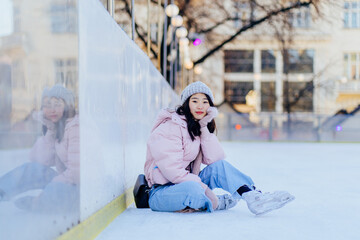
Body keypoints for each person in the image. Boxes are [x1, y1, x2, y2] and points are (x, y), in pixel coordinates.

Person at [144, 81, 295, 215]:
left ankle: (252, 196)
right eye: (195, 100)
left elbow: (214, 159)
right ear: (186, 104)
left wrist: (204, 128)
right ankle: (215, 202)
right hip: (162, 192)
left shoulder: (195, 128)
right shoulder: (170, 127)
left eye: (205, 101)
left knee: (219, 167)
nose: (200, 106)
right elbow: (173, 172)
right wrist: (206, 190)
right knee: (194, 190)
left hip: (186, 183)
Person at [0, 84, 79, 213]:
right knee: (31, 169)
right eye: (48, 105)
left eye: (57, 104)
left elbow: (76, 174)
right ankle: (1, 191)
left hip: (82, 191)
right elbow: (38, 160)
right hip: (68, 184)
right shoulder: (59, 127)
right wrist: (50, 129)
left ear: (67, 106)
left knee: (55, 189)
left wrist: (50, 188)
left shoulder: (75, 127)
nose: (52, 109)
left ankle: (39, 203)